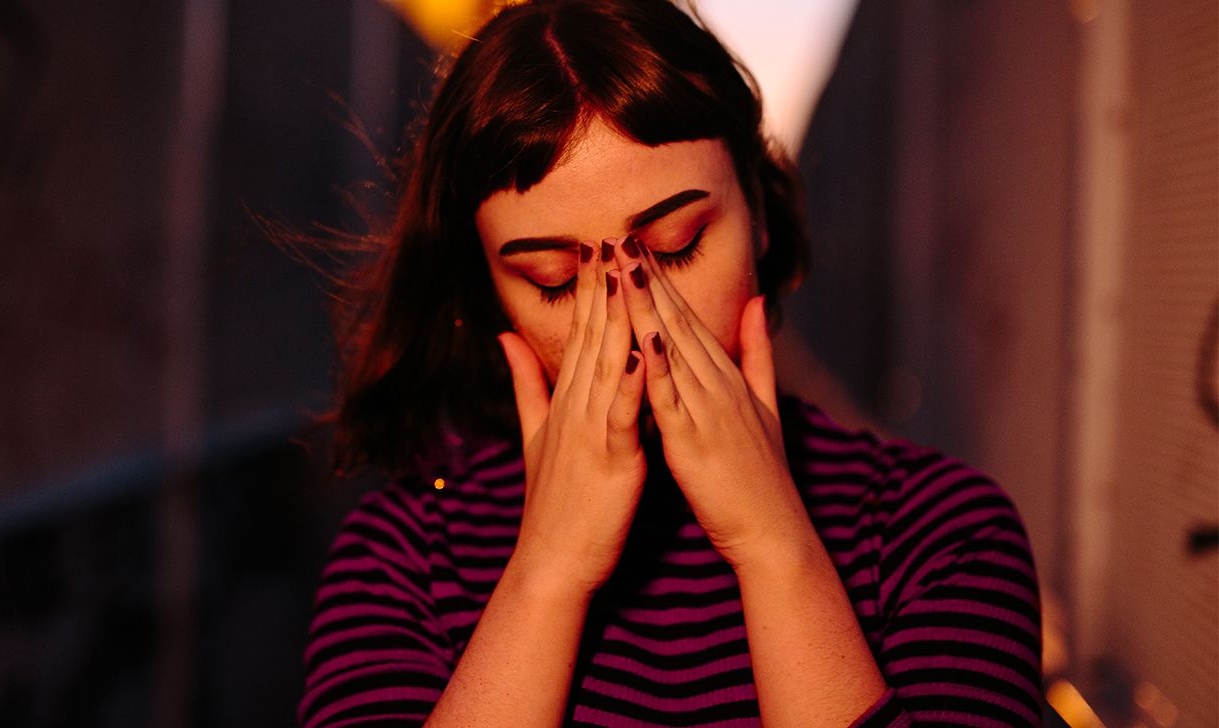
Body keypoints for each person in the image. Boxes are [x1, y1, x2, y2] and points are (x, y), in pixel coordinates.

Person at [298, 0, 1042, 725]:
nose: (627, 316)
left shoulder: (939, 528)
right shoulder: (401, 558)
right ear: (488, 293)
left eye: (678, 243)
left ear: (757, 212)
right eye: (555, 279)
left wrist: (774, 548)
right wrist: (546, 577)